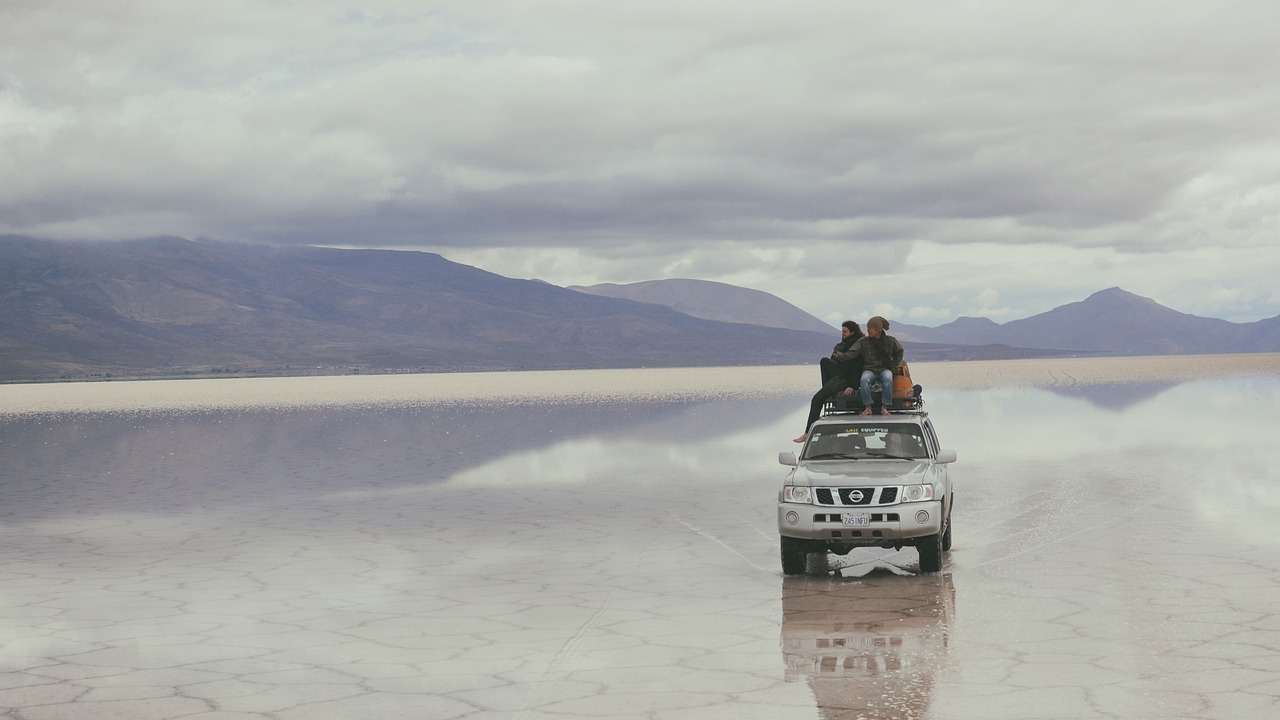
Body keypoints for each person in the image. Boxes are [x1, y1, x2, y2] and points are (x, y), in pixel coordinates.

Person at [793, 321, 864, 443]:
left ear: (852, 331)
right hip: (841, 375)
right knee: (824, 361)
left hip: (845, 379)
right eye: (842, 331)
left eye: (845, 331)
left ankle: (807, 433)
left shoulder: (854, 344)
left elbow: (855, 366)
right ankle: (828, 389)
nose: (843, 333)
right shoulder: (846, 343)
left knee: (817, 399)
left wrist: (852, 385)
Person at [837, 315, 904, 416]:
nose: (867, 330)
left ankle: (885, 407)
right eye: (867, 328)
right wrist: (840, 356)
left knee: (888, 378)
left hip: (884, 369)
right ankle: (868, 408)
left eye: (869, 328)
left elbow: (900, 352)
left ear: (877, 329)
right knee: (864, 380)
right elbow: (852, 353)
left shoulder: (890, 341)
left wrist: (893, 365)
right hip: (870, 369)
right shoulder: (863, 342)